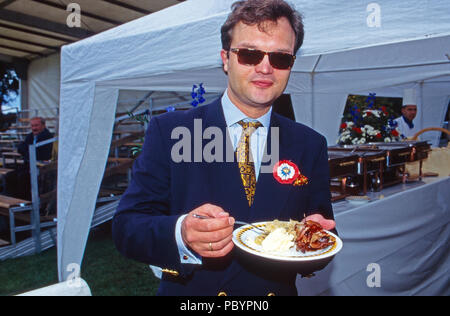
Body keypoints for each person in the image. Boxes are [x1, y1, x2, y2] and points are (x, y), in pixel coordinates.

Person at [113, 0, 336, 296]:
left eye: (281, 58)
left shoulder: (309, 144)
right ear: (226, 59)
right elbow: (127, 227)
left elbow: (324, 236)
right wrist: (181, 233)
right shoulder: (171, 132)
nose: (265, 67)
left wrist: (316, 238)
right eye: (249, 54)